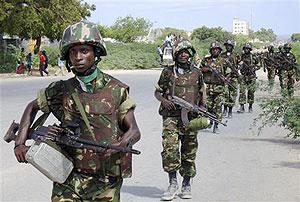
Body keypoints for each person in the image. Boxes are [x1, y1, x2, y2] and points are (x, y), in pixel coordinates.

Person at [14, 21, 141, 202]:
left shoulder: (116, 89)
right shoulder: (62, 89)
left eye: (84, 51)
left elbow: (134, 131)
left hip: (105, 179)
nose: (78, 57)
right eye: (73, 52)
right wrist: (19, 143)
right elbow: (32, 107)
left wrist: (122, 144)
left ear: (96, 53)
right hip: (67, 175)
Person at [155, 40, 207, 200]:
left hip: (190, 118)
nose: (184, 55)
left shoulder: (197, 72)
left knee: (189, 150)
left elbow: (202, 93)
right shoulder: (168, 72)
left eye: (187, 52)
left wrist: (203, 108)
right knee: (170, 150)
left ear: (191, 54)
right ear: (176, 54)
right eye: (181, 52)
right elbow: (158, 92)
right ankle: (172, 183)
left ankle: (186, 183)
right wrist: (164, 101)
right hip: (171, 118)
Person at [201, 41, 230, 133]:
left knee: (218, 107)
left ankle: (216, 125)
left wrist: (226, 79)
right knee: (208, 106)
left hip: (219, 88)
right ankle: (209, 122)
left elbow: (229, 73)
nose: (215, 51)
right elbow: (199, 70)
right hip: (208, 88)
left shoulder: (224, 61)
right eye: (213, 49)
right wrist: (207, 69)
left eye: (217, 49)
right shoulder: (206, 60)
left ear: (220, 50)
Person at [237, 43, 260, 113]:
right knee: (242, 91)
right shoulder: (241, 57)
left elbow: (259, 65)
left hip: (251, 76)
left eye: (247, 48)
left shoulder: (253, 57)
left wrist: (253, 69)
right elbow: (238, 64)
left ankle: (250, 106)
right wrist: (240, 66)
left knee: (251, 92)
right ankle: (242, 107)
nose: (246, 50)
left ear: (250, 49)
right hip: (243, 76)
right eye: (245, 48)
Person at [220, 39, 239, 118]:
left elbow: (240, 64)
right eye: (227, 46)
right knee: (224, 93)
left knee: (232, 94)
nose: (228, 47)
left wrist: (236, 70)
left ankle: (230, 110)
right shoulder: (221, 55)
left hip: (233, 77)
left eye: (229, 46)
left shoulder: (236, 55)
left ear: (232, 47)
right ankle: (224, 109)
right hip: (224, 77)